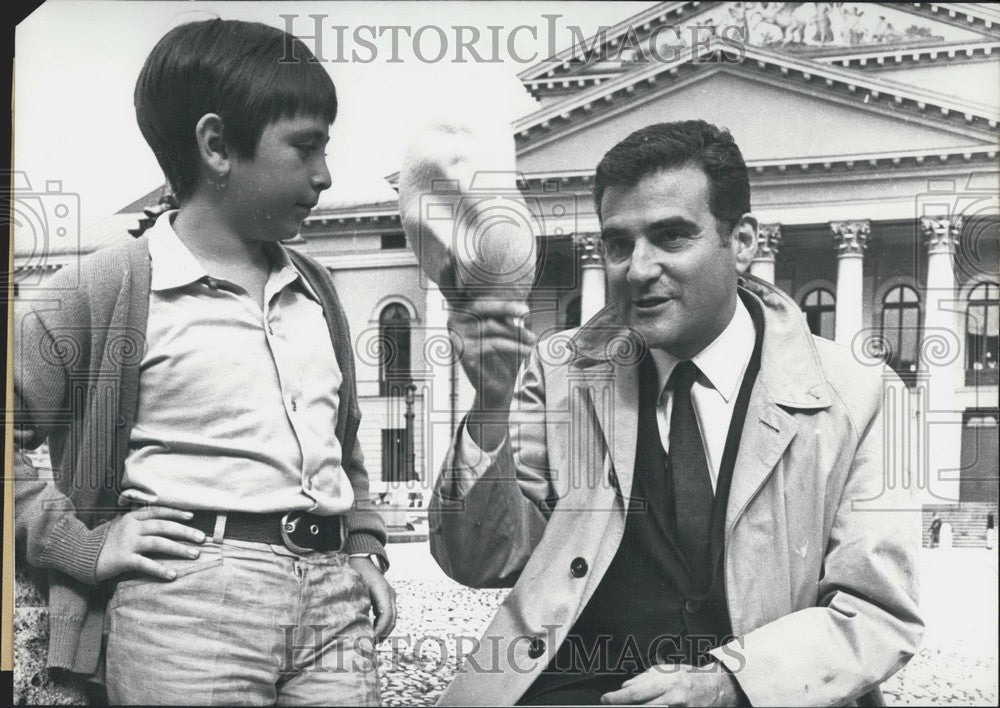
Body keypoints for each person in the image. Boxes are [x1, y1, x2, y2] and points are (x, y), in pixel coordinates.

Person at [429, 120, 923, 706]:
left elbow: (874, 614)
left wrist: (729, 683)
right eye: (618, 244)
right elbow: (481, 560)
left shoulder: (862, 395)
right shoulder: (559, 372)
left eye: (670, 237)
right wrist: (490, 409)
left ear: (742, 242)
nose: (637, 269)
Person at [14, 19, 394, 705]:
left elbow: (344, 442)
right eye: (305, 147)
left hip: (335, 605)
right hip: (186, 603)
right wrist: (79, 544)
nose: (325, 174)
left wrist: (363, 547)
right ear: (217, 144)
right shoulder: (103, 289)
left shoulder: (317, 290)